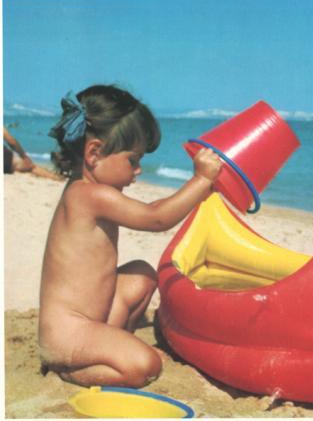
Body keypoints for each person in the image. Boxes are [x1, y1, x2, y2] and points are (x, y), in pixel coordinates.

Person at [38, 85, 222, 387]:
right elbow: (156, 217)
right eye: (132, 160)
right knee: (146, 366)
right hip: (67, 334)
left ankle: (114, 345)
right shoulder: (89, 195)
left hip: (92, 319)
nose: (138, 170)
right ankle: (71, 370)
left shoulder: (90, 190)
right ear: (94, 153)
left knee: (142, 274)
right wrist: (201, 180)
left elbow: (155, 212)